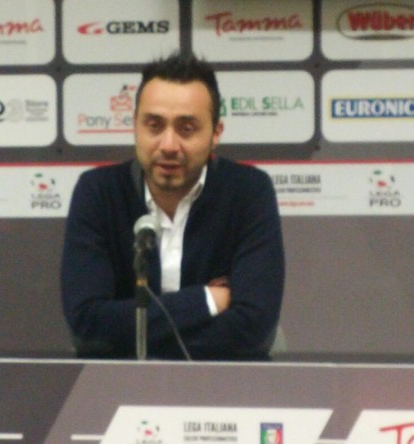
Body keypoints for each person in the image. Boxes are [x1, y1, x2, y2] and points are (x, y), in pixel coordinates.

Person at [60, 52, 285, 360]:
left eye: (186, 129)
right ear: (135, 127)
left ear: (216, 133)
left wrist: (132, 334)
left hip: (222, 384)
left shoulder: (249, 192)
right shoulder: (98, 192)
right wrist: (206, 300)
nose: (168, 145)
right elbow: (88, 325)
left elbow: (253, 329)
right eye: (154, 126)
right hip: (118, 383)